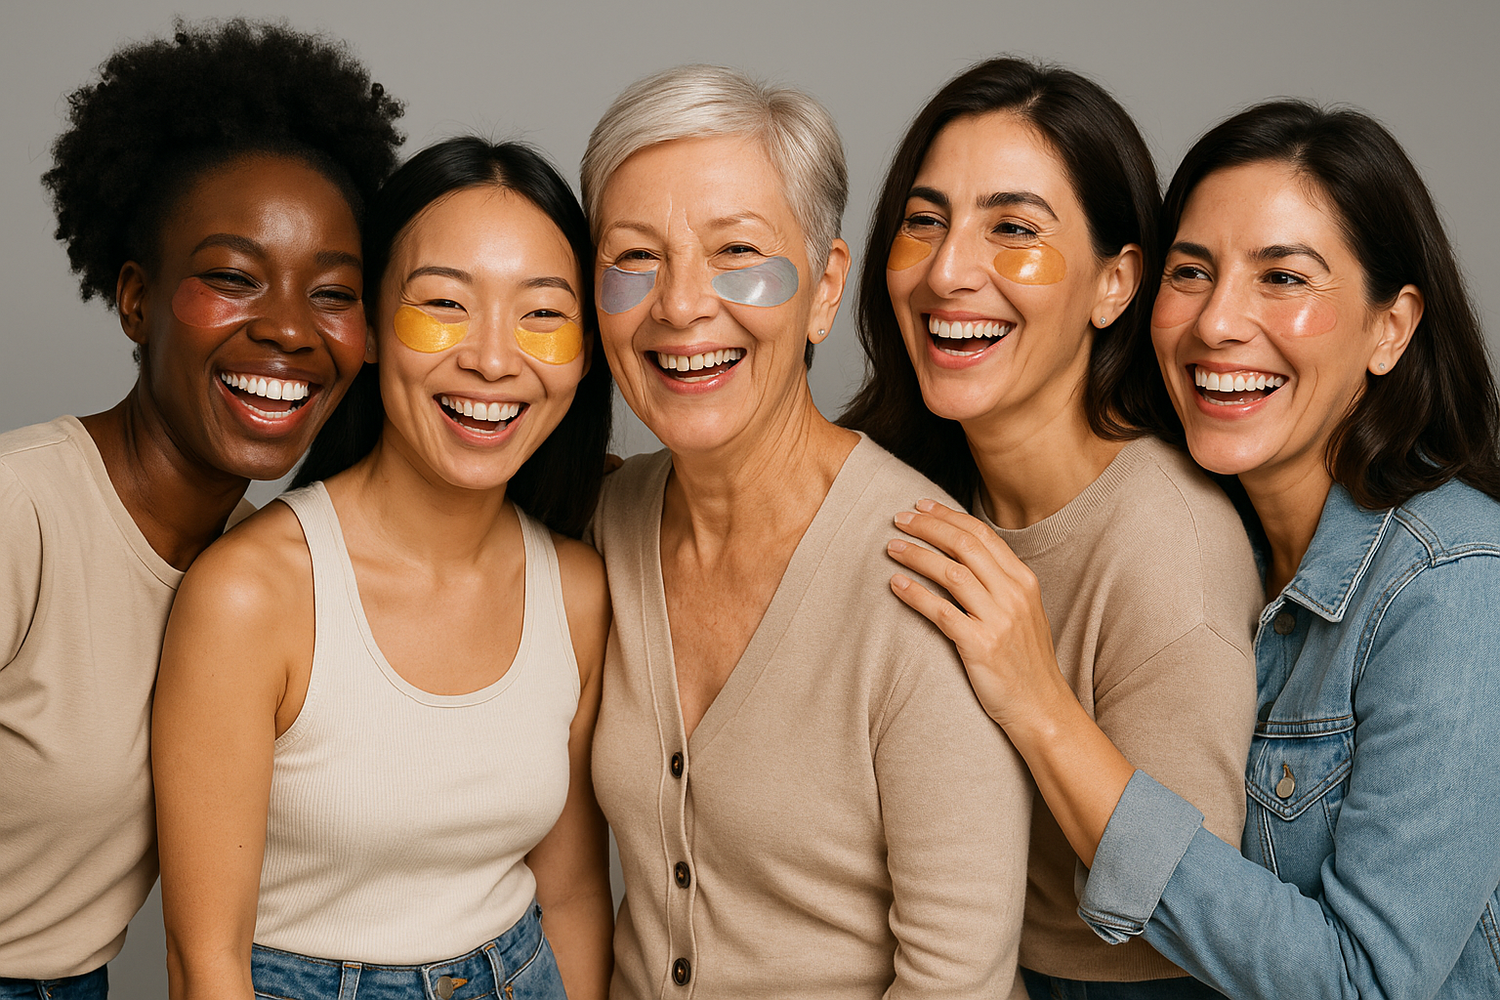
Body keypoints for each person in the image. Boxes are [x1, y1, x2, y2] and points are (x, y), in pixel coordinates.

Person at [887, 99, 1500, 998]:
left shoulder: (1453, 583)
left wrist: (1043, 707)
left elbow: (1364, 983)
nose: (1217, 323)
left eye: (1283, 279)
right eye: (1193, 272)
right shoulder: (1232, 534)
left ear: (1390, 329)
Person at [580, 64, 1032, 1000]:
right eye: (634, 258)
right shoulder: (605, 525)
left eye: (735, 250)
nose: (679, 304)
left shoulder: (926, 571)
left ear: (826, 288)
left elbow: (957, 983)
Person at [151, 137, 615, 1000]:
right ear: (367, 330)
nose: (491, 358)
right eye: (444, 303)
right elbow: (202, 962)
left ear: (586, 353)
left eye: (543, 314)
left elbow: (577, 896)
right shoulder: (253, 594)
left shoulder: (578, 591)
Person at [0, 20, 401, 999]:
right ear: (136, 298)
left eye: (335, 293)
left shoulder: (257, 569)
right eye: (231, 277)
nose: (288, 328)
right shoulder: (22, 510)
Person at [842, 57, 1259, 998]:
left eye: (1014, 230)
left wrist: (1035, 694)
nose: (950, 271)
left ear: (1115, 287)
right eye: (924, 220)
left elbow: (1184, 924)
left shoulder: (1169, 548)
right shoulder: (906, 478)